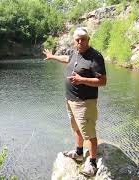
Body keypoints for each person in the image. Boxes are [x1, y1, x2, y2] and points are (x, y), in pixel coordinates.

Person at [43, 27, 107, 177]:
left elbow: (102, 81)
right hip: (70, 100)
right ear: (74, 41)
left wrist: (81, 80)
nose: (80, 42)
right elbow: (68, 59)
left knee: (89, 132)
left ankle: (92, 163)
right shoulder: (74, 52)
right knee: (76, 127)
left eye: (82, 39)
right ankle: (79, 153)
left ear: (88, 39)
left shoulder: (95, 57)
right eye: (77, 40)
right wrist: (53, 57)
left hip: (85, 102)